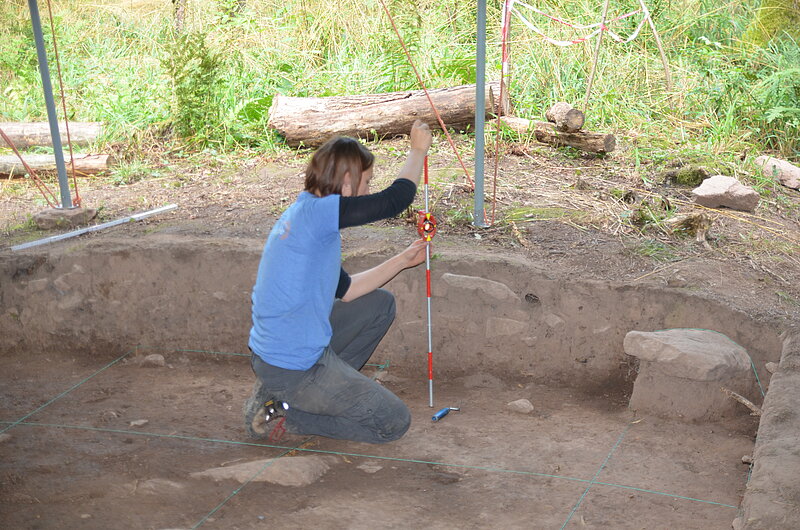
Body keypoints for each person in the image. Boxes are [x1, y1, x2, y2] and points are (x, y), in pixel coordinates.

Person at [244, 120, 433, 444]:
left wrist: (402, 260)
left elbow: (347, 291)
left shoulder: (307, 216)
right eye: (366, 182)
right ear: (347, 182)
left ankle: (291, 394)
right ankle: (287, 415)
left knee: (380, 304)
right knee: (393, 422)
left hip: (283, 353)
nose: (367, 191)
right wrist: (418, 151)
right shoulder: (318, 214)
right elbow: (395, 200)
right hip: (293, 366)